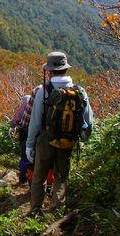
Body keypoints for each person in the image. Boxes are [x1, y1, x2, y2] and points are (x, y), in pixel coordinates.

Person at [25, 51, 93, 215]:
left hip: (45, 140)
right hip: (68, 140)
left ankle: (35, 209)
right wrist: (83, 137)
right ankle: (56, 209)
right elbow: (88, 120)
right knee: (61, 176)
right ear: (65, 69)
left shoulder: (44, 91)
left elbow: (34, 121)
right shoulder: (79, 91)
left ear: (49, 71)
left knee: (39, 176)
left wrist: (29, 145)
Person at [8, 94, 32, 184]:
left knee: (24, 154)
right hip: (38, 133)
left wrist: (12, 126)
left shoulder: (26, 102)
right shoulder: (38, 102)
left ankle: (23, 177)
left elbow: (18, 115)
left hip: (24, 131)